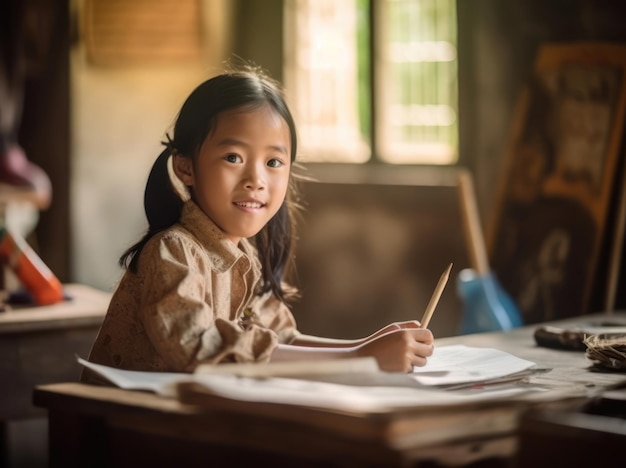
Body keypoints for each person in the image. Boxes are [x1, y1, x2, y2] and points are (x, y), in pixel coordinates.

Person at [82, 65, 434, 382]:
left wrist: (368, 344)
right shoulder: (172, 251)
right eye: (233, 157)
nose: (256, 179)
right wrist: (360, 359)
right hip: (130, 438)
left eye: (273, 162)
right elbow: (199, 349)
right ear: (185, 167)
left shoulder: (246, 253)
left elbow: (283, 340)